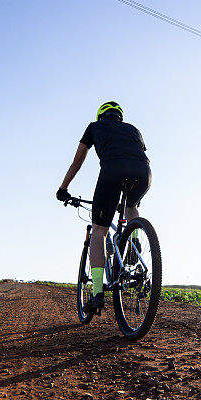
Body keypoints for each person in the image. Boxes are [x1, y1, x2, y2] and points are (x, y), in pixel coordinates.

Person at [57, 101, 151, 312]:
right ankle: (134, 244)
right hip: (144, 173)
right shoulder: (133, 129)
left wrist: (63, 188)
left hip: (112, 171)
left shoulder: (94, 127)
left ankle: (98, 292)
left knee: (99, 231)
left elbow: (77, 162)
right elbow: (139, 152)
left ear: (101, 116)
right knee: (131, 204)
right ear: (119, 117)